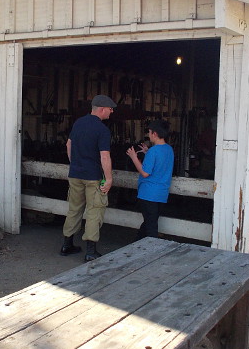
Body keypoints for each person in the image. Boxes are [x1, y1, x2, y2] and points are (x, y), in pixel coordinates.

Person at [60, 94, 117, 261]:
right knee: (94, 211)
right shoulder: (102, 130)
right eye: (110, 109)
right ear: (101, 109)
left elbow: (68, 144)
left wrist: (75, 163)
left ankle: (66, 245)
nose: (111, 111)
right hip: (93, 176)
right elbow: (104, 156)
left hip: (75, 174)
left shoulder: (78, 123)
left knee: (74, 208)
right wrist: (109, 179)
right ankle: (91, 251)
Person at [126, 119, 174, 239]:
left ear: (155, 134)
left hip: (148, 194)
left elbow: (145, 173)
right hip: (162, 194)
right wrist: (147, 153)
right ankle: (137, 243)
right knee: (149, 222)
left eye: (149, 132)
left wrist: (134, 157)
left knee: (151, 226)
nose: (148, 135)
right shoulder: (169, 149)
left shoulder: (153, 151)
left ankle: (152, 252)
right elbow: (159, 165)